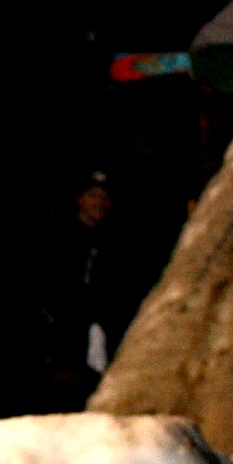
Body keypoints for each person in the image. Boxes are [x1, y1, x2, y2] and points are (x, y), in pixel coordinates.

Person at [38, 170, 146, 404]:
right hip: (67, 347)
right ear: (80, 199)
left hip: (108, 344)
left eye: (104, 197)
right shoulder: (58, 238)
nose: (100, 202)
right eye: (93, 195)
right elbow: (50, 291)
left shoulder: (117, 241)